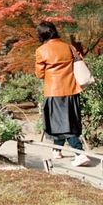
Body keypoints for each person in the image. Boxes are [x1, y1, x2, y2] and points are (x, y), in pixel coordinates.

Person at [35, 21, 90, 167]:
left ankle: (80, 154)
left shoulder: (41, 50)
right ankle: (56, 149)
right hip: (72, 90)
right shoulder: (68, 47)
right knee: (67, 119)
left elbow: (40, 74)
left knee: (61, 123)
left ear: (41, 34)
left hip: (54, 92)